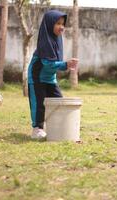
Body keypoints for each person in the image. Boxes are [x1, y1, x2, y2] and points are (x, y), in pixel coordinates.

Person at [28, 10, 78, 139]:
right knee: (39, 103)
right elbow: (48, 63)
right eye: (57, 23)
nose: (61, 27)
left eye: (63, 24)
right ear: (49, 25)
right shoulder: (44, 43)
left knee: (58, 102)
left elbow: (55, 62)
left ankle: (56, 127)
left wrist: (66, 65)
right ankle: (37, 129)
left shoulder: (57, 40)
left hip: (50, 78)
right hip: (37, 78)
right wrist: (65, 65)